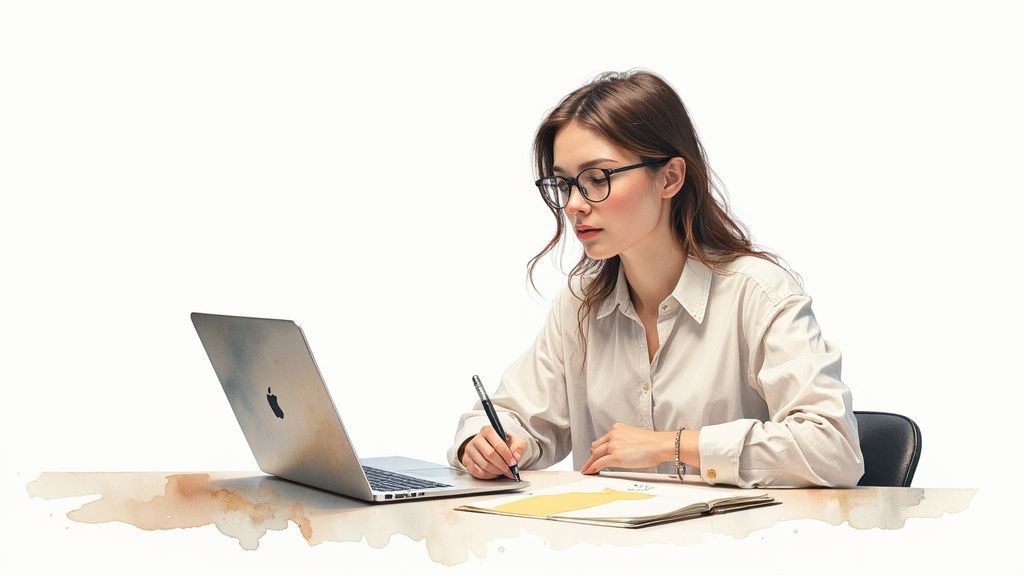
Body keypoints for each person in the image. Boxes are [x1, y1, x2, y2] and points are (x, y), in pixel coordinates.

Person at [447, 69, 864, 488]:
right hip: (609, 546)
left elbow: (834, 448)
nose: (574, 204)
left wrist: (672, 446)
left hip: (733, 547)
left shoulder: (758, 294)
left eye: (597, 178)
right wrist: (482, 445)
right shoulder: (580, 304)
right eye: (564, 184)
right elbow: (515, 418)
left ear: (670, 178)